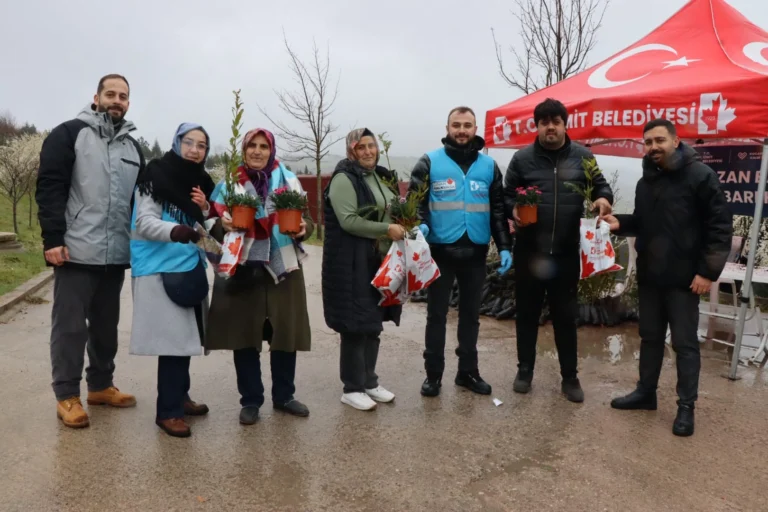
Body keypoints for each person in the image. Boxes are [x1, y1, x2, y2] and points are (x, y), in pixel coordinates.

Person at [601, 119, 732, 437]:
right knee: (649, 338)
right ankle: (646, 393)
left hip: (685, 279)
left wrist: (707, 272)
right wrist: (620, 223)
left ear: (676, 140)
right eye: (647, 142)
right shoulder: (646, 182)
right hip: (651, 276)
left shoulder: (701, 176)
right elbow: (646, 223)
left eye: (659, 140)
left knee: (685, 345)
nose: (653, 147)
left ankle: (686, 408)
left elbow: (719, 227)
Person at [36, 74, 144, 428]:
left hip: (114, 254)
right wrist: (52, 239)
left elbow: (138, 202)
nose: (117, 100)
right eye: (110, 93)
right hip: (75, 252)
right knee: (69, 328)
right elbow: (50, 187)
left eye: (123, 96)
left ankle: (100, 385)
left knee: (105, 326)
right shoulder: (69, 134)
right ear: (95, 97)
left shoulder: (133, 147)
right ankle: (66, 395)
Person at [503, 98, 613, 403]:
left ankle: (570, 377)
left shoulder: (583, 157)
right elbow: (507, 195)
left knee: (566, 317)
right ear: (536, 126)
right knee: (526, 315)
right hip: (529, 252)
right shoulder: (522, 159)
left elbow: (601, 187)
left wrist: (603, 200)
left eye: (556, 121)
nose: (550, 126)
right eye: (544, 122)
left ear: (565, 124)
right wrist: (513, 210)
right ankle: (524, 370)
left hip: (565, 254)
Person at [206, 128, 313, 425]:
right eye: (251, 145)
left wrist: (305, 229)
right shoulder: (228, 184)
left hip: (284, 267)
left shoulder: (289, 180)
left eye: (263, 146)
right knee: (245, 336)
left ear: (271, 149)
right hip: (244, 267)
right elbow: (211, 222)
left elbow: (308, 222)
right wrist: (222, 226)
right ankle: (251, 400)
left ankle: (284, 396)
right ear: (243, 150)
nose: (257, 151)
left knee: (284, 335)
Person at [409, 106, 512, 398]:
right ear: (447, 128)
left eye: (468, 125)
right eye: (457, 125)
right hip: (440, 252)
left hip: (475, 253)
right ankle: (433, 375)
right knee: (436, 316)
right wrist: (421, 226)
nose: (462, 130)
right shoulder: (429, 162)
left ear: (475, 129)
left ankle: (467, 372)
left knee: (470, 317)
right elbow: (415, 203)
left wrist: (505, 247)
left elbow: (498, 212)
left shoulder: (489, 167)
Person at [129, 123, 216, 438]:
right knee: (173, 342)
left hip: (188, 267)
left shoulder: (200, 182)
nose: (195, 149)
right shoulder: (154, 176)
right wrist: (176, 231)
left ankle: (181, 396)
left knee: (185, 339)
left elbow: (203, 224)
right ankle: (168, 412)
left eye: (202, 145)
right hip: (159, 268)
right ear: (177, 143)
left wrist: (206, 209)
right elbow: (145, 222)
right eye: (189, 142)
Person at [322, 128, 406, 411]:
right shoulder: (344, 179)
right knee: (355, 326)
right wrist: (387, 229)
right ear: (351, 151)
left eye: (372, 146)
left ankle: (370, 381)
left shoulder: (380, 176)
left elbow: (390, 208)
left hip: (378, 261)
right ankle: (352, 387)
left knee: (372, 324)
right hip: (351, 262)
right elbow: (349, 221)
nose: (368, 151)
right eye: (362, 147)